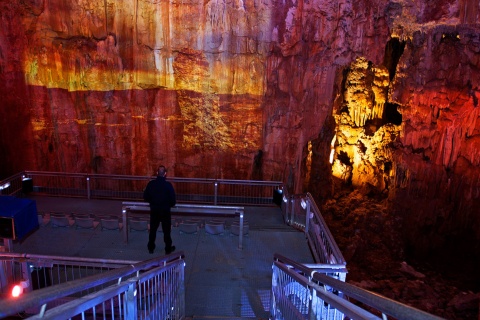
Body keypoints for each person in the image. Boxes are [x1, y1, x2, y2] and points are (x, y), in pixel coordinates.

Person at [143, 165, 176, 254]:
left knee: (153, 230)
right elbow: (173, 200)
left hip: (154, 210)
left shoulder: (151, 184)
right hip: (165, 211)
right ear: (165, 174)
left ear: (157, 173)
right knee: (166, 231)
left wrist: (152, 202)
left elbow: (145, 197)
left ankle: (151, 248)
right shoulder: (168, 185)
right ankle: (168, 248)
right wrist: (168, 204)